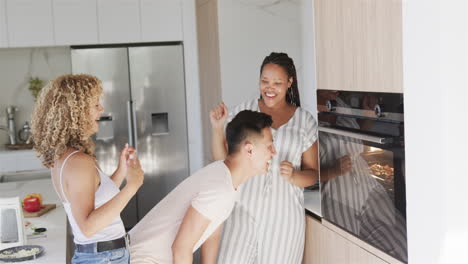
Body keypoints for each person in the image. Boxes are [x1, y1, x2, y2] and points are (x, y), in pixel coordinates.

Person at [211, 52, 319, 264]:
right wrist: (217, 129)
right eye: (264, 81)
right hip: (242, 211)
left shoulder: (304, 120)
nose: (270, 88)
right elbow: (223, 162)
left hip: (284, 219)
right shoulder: (243, 112)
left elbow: (313, 174)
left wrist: (295, 177)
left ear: (290, 82)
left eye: (277, 82)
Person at [128, 110, 276, 264]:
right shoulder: (220, 188)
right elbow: (181, 249)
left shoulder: (227, 179)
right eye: (269, 146)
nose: (274, 152)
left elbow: (212, 233)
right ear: (249, 149)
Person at [31, 74, 144, 264]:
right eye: (95, 105)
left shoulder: (70, 157)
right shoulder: (78, 161)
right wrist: (133, 186)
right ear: (76, 112)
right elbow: (88, 226)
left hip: (102, 256)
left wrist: (121, 171)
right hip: (104, 258)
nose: (101, 109)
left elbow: (97, 198)